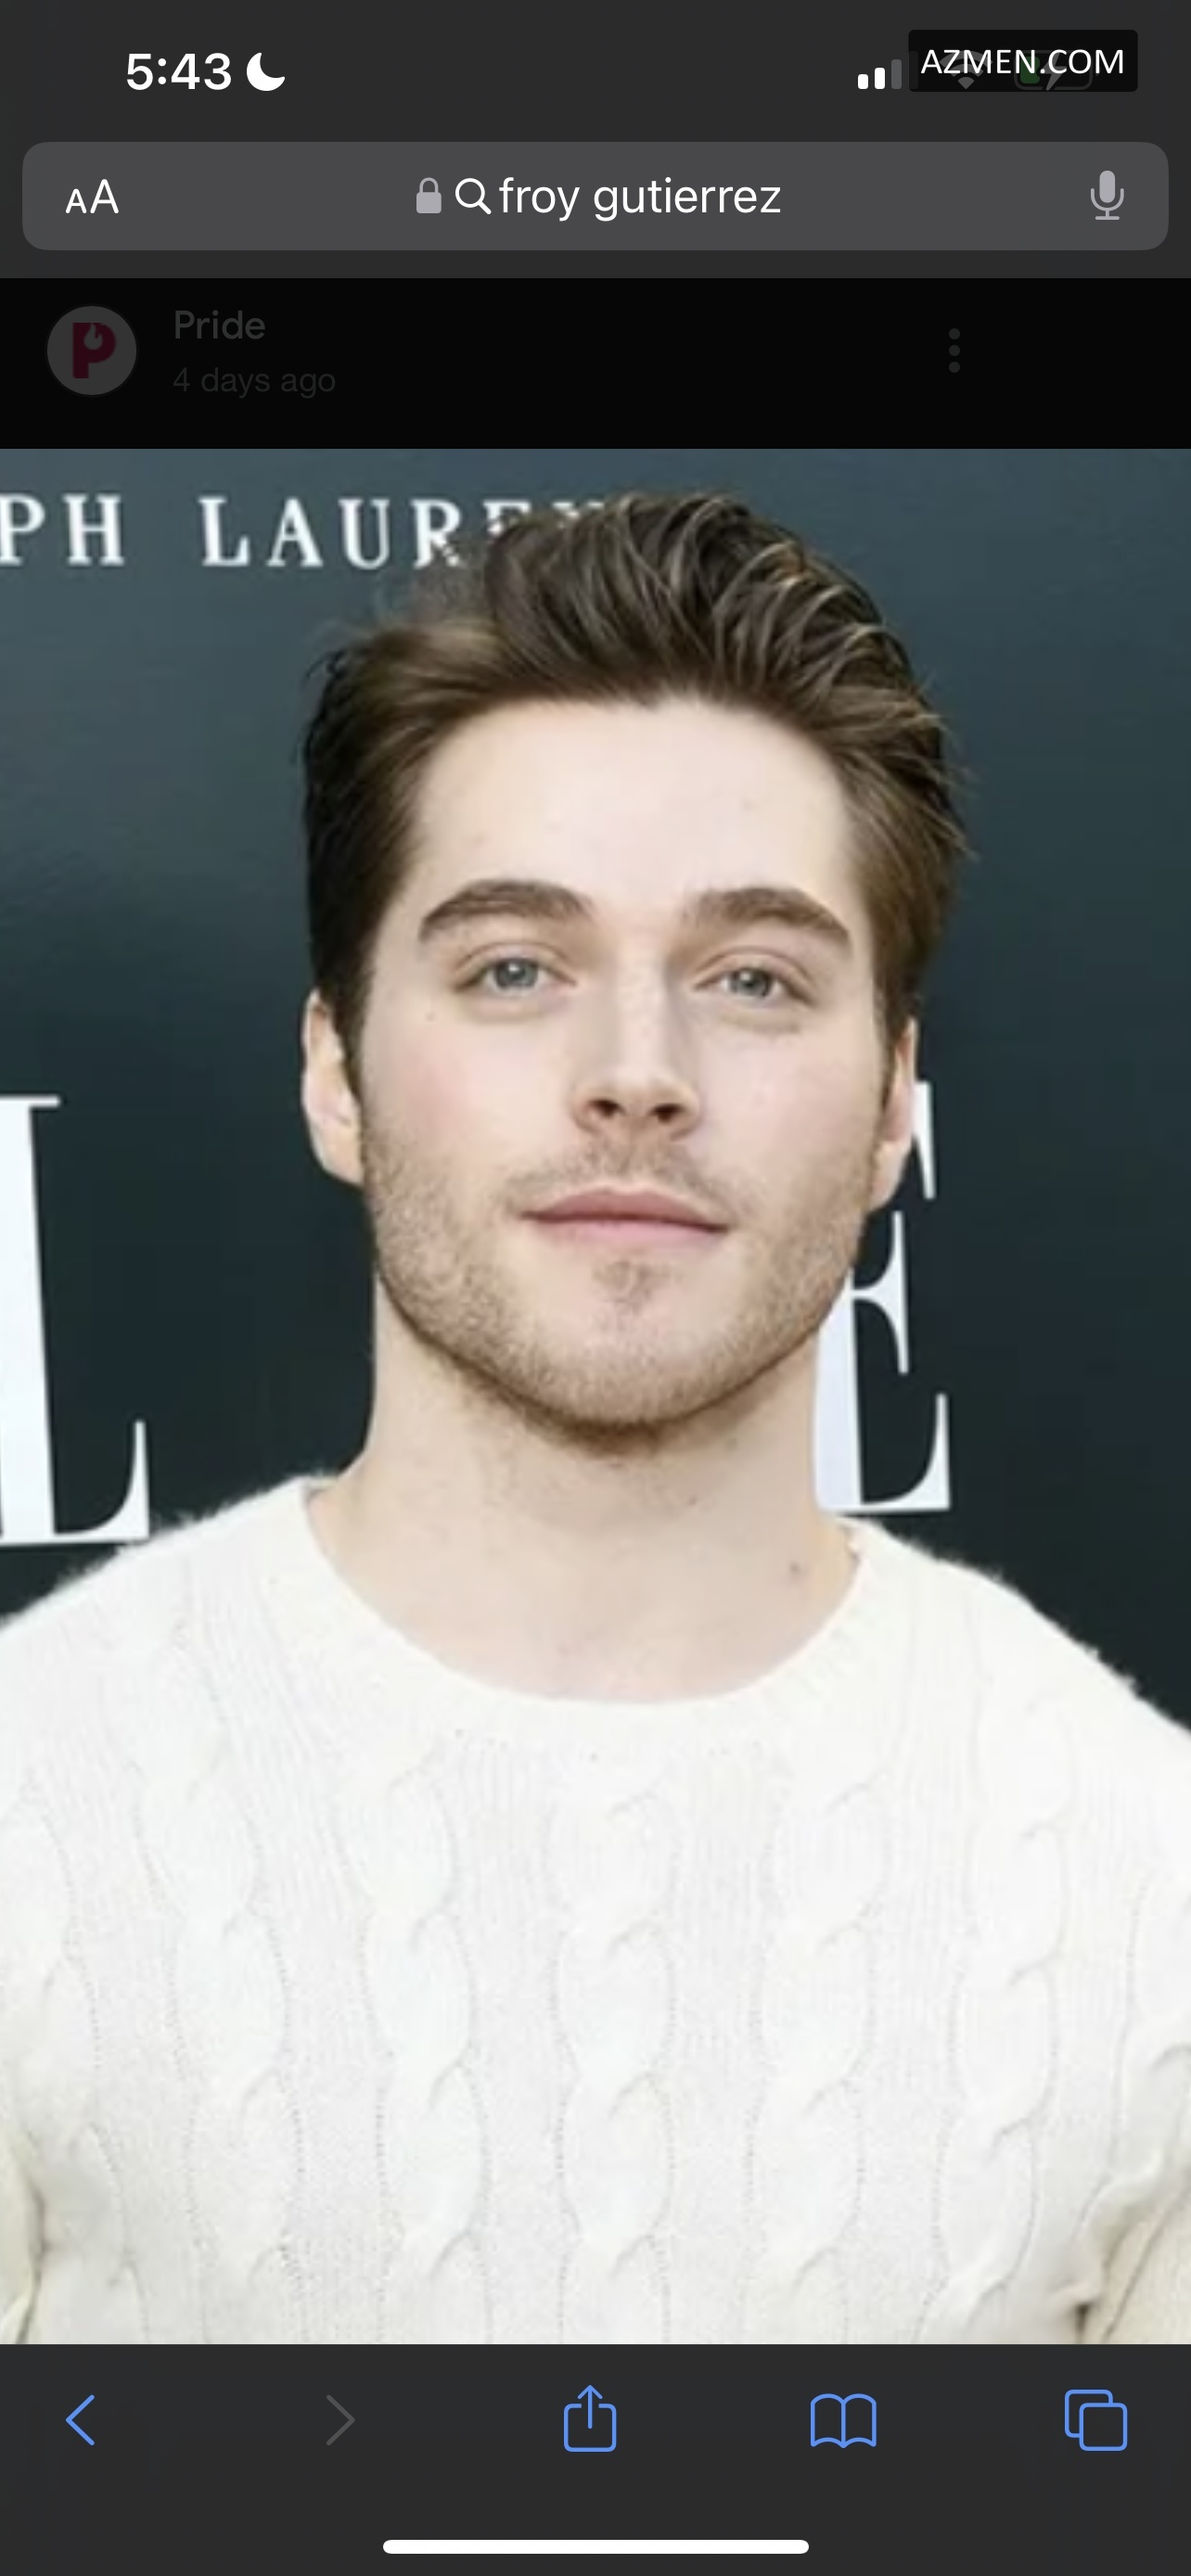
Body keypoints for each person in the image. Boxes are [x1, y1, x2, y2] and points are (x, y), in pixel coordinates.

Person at [2, 489, 1190, 2348]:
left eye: (753, 979)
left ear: (896, 1104)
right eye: (513, 968)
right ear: (334, 1071)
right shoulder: (34, 1795)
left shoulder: (1142, 1874)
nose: (638, 1074)